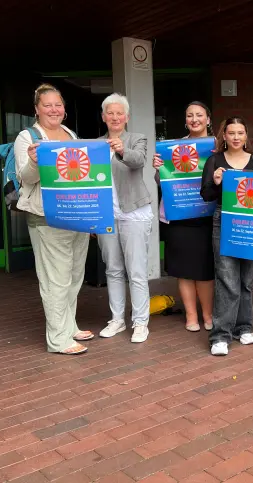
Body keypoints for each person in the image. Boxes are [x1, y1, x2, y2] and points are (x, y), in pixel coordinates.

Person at [14, 83, 92, 355]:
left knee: (73, 276)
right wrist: (35, 161)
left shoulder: (70, 134)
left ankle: (69, 326)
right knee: (55, 280)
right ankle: (58, 339)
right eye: (47, 105)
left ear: (65, 109)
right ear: (36, 109)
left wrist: (93, 216)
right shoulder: (28, 137)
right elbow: (26, 177)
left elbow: (82, 176)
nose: (53, 109)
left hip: (76, 215)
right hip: (47, 217)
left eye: (58, 104)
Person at [200, 117, 253, 356]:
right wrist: (217, 182)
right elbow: (206, 195)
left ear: (246, 136)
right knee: (227, 278)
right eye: (231, 133)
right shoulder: (214, 161)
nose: (236, 137)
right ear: (224, 136)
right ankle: (220, 335)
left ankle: (244, 327)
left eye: (241, 132)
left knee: (246, 280)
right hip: (225, 220)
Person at [153, 102, 215, 332]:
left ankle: (208, 315)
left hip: (206, 215)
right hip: (179, 215)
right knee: (184, 269)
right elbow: (162, 183)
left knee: (205, 268)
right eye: (190, 115)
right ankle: (191, 316)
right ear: (185, 120)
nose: (195, 119)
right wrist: (158, 169)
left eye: (199, 115)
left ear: (208, 119)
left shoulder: (218, 147)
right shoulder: (172, 148)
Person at [97, 93, 153, 343]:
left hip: (134, 212)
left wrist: (121, 149)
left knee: (137, 270)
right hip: (105, 214)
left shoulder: (136, 139)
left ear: (127, 117)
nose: (115, 117)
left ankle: (140, 322)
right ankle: (117, 319)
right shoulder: (95, 144)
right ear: (103, 117)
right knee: (113, 269)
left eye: (120, 113)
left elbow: (138, 160)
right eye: (110, 113)